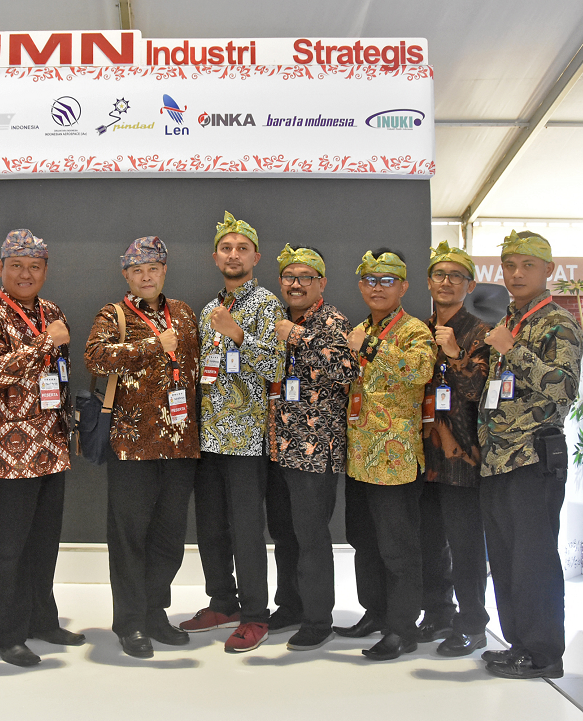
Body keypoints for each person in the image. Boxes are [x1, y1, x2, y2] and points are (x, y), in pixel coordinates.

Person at [0, 229, 85, 667]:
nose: (25, 273)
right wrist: (44, 343)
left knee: (43, 543)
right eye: (16, 265)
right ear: (1, 268)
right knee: (6, 549)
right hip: (7, 454)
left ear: (45, 270)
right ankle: (6, 633)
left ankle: (42, 620)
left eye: (34, 266)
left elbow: (61, 374)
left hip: (51, 448)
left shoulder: (52, 312)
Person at [84, 236, 201, 658]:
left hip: (181, 444)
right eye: (137, 270)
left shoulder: (184, 313)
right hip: (132, 445)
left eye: (153, 268)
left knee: (169, 538)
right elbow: (95, 357)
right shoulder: (112, 314)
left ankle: (155, 614)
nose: (146, 276)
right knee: (129, 537)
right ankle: (130, 622)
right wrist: (154, 345)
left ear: (164, 271)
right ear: (126, 275)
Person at [478, 230, 583, 679]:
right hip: (497, 458)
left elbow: (564, 388)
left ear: (548, 270)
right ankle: (519, 644)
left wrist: (512, 350)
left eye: (528, 265)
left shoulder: (558, 322)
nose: (516, 274)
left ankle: (543, 655)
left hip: (533, 459)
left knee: (534, 561)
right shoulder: (510, 319)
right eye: (509, 265)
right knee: (505, 560)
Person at [180, 211, 285, 653]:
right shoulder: (209, 309)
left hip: (246, 439)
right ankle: (222, 602)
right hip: (209, 437)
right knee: (211, 527)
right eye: (226, 248)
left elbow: (276, 367)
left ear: (256, 257)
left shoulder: (267, 304)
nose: (234, 255)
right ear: (215, 257)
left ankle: (255, 614)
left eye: (242, 248)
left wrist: (238, 334)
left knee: (246, 530)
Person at [335, 249, 436, 661]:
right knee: (364, 541)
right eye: (370, 280)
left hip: (395, 460)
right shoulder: (359, 329)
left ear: (403, 286)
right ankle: (375, 613)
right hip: (360, 455)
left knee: (398, 548)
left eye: (387, 280)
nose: (377, 288)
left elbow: (420, 371)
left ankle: (402, 628)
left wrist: (373, 346)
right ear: (361, 286)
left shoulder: (414, 330)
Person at [267, 245, 357, 651]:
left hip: (315, 450)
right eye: (289, 276)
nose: (296, 284)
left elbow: (346, 369)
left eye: (305, 277)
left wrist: (298, 336)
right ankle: (290, 605)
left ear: (321, 283)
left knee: (311, 537)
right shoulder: (278, 316)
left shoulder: (332, 320)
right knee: (283, 534)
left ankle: (318, 619)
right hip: (278, 446)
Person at [418, 242, 492, 656]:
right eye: (439, 275)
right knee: (429, 542)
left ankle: (473, 624)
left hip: (462, 455)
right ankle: (438, 613)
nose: (446, 282)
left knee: (465, 546)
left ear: (470, 285)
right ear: (428, 282)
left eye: (456, 276)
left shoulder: (481, 332)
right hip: (422, 454)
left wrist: (454, 354)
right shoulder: (417, 330)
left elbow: (480, 391)